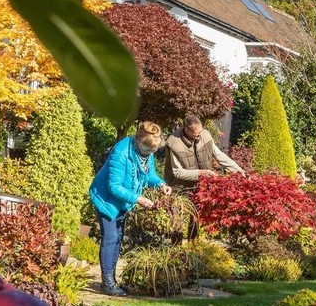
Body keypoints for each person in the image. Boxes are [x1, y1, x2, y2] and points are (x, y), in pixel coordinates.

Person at [89, 121, 172, 296]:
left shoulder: (146, 151)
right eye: (149, 150)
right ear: (139, 141)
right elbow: (114, 186)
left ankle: (112, 281)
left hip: (124, 200)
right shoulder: (121, 153)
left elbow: (149, 175)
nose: (151, 153)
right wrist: (138, 199)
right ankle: (107, 284)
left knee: (118, 238)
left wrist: (160, 184)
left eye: (153, 151)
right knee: (110, 238)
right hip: (106, 198)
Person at [164, 115, 244, 191]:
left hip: (202, 187)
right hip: (181, 189)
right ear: (187, 130)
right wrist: (200, 173)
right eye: (196, 133)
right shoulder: (174, 143)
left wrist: (239, 171)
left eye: (200, 131)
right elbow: (177, 172)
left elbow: (219, 155)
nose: (199, 134)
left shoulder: (205, 135)